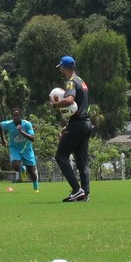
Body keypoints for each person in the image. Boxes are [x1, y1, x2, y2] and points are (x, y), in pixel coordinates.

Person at [51, 55, 92, 202]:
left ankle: (76, 189)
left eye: (60, 67)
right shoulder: (82, 82)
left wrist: (55, 104)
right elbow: (80, 107)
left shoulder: (70, 82)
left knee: (61, 156)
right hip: (86, 123)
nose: (60, 69)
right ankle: (85, 193)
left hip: (77, 124)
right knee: (82, 161)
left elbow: (69, 100)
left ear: (64, 67)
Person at [0, 108, 39, 193]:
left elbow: (32, 139)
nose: (15, 117)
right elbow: (0, 125)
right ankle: (22, 169)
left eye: (17, 115)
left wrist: (21, 132)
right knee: (15, 166)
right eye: (14, 115)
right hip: (14, 148)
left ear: (21, 116)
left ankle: (35, 187)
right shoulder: (9, 124)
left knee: (31, 171)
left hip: (27, 149)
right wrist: (3, 140)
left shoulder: (27, 124)